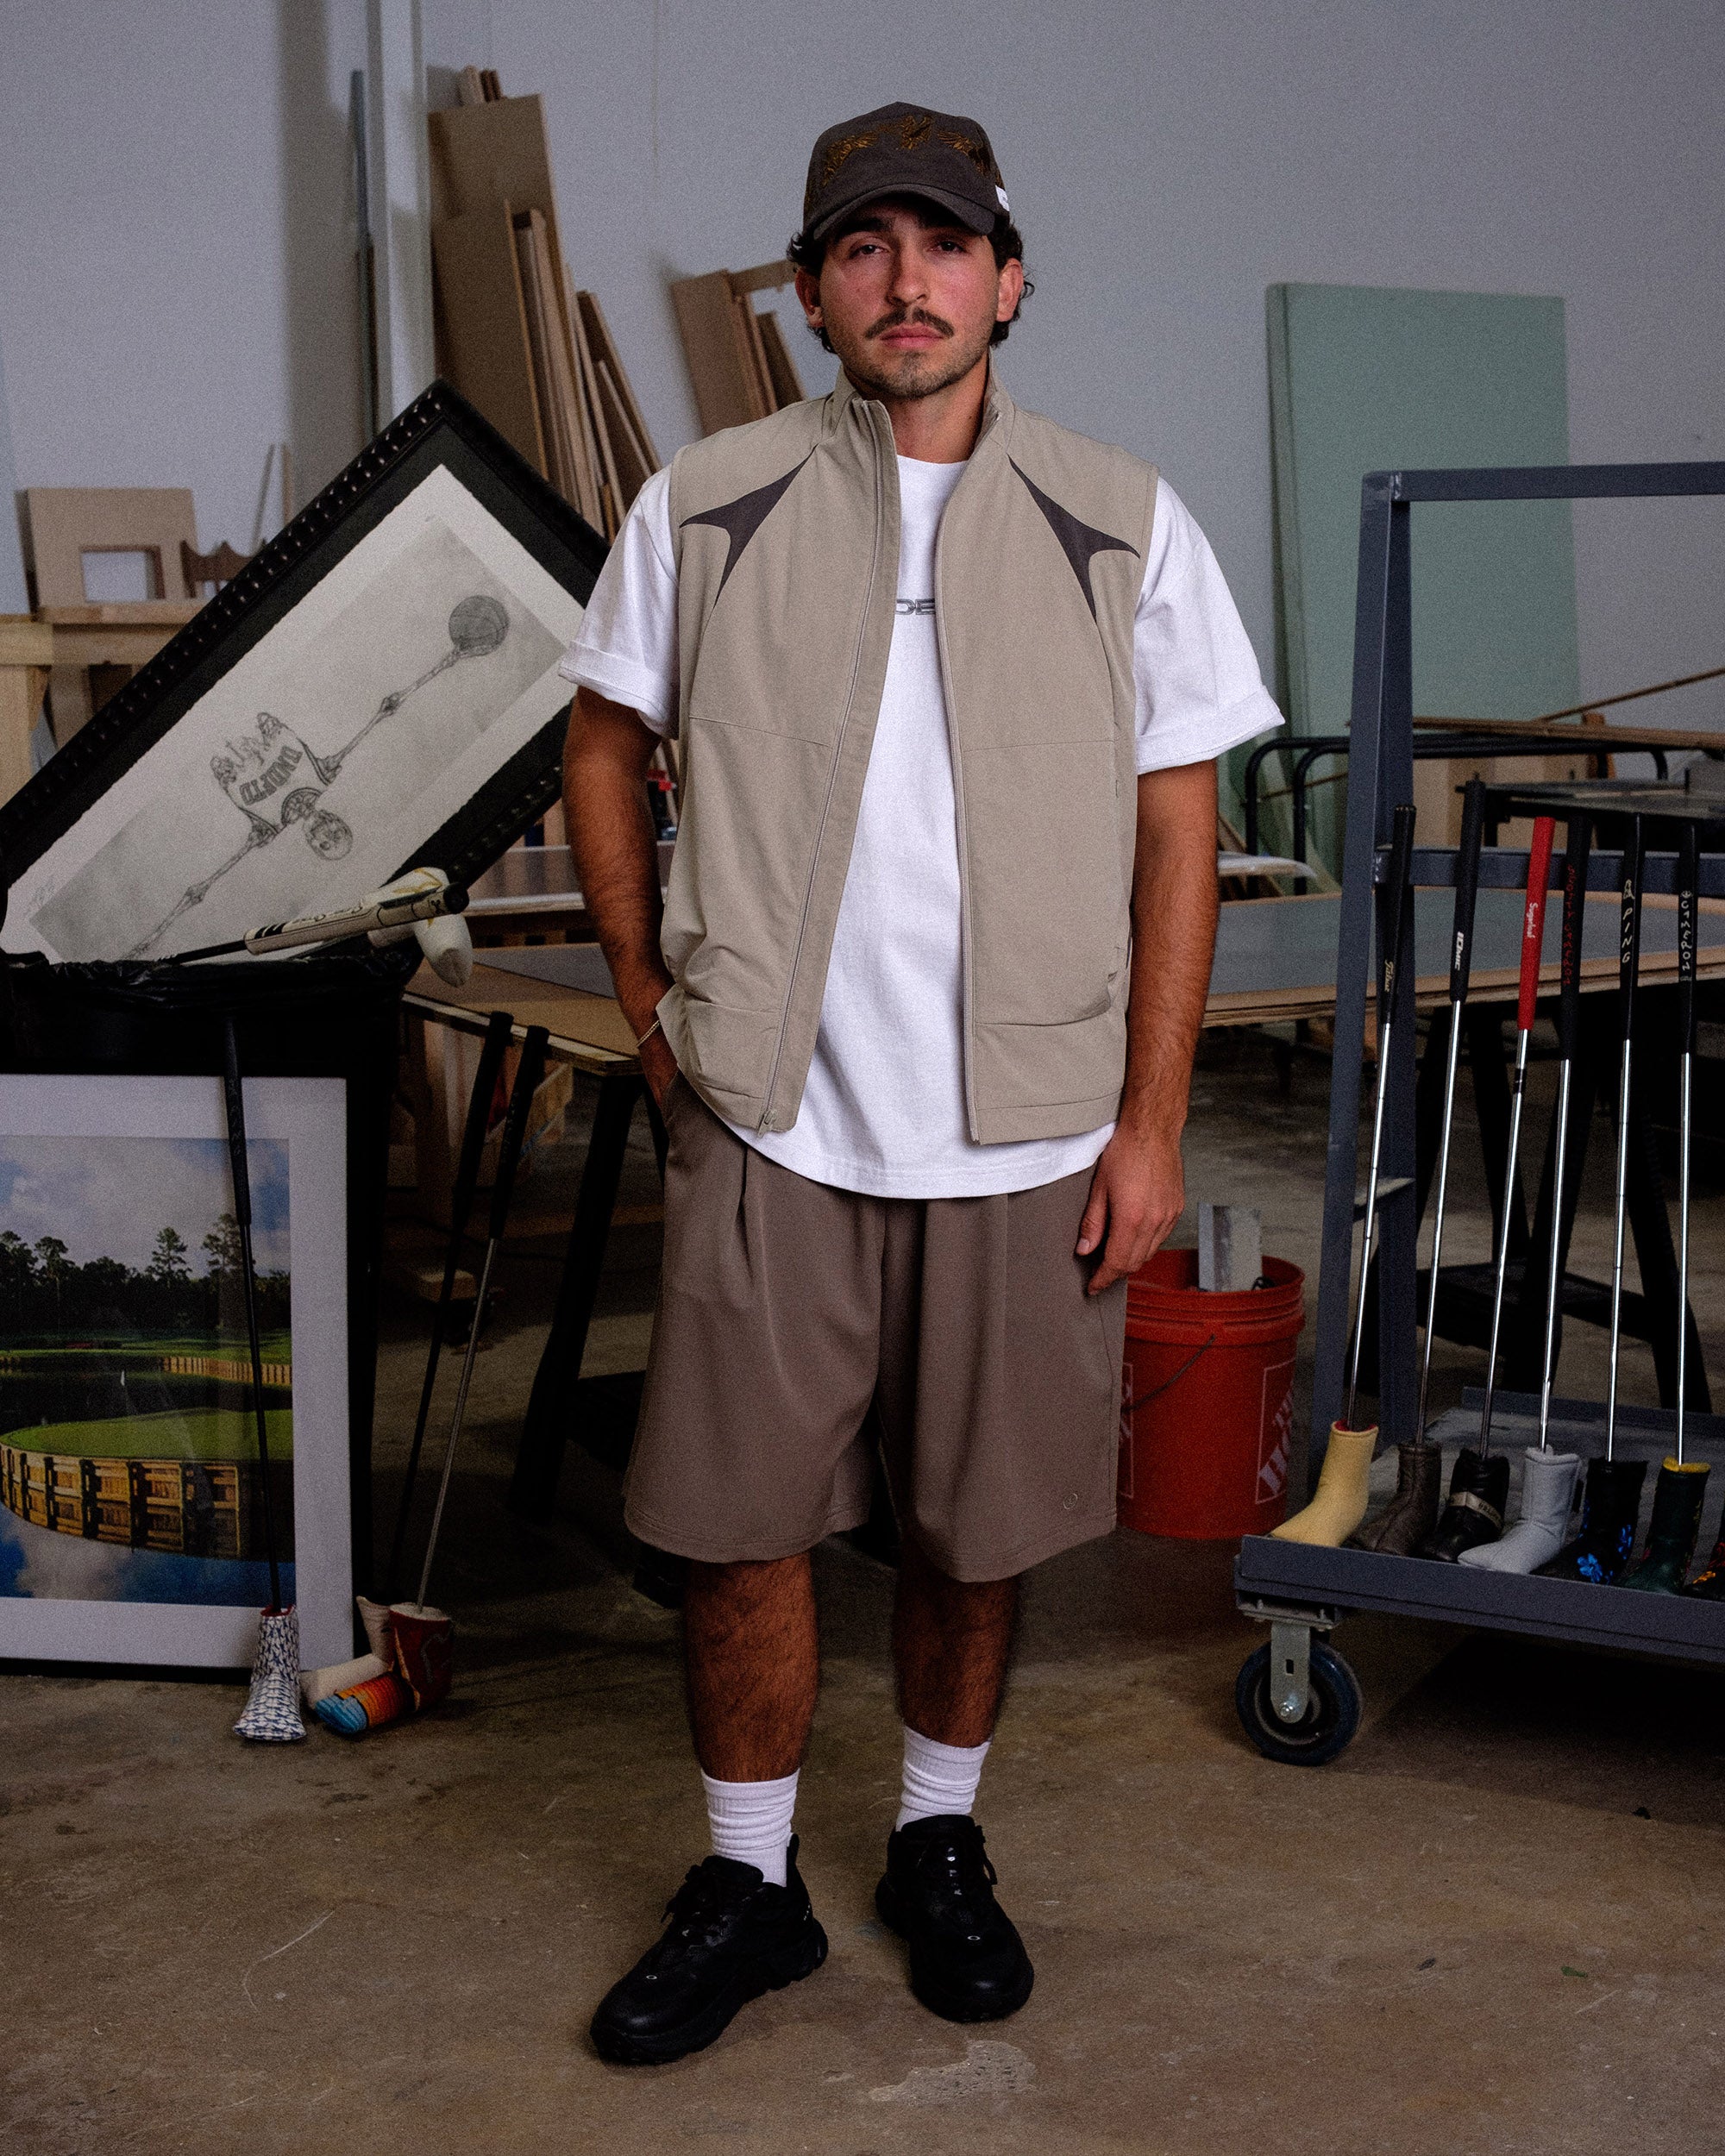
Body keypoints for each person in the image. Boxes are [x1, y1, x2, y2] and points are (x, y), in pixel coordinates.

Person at [561, 100, 1282, 2065]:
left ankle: (936, 1846)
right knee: (732, 1522)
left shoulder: (1122, 516)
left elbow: (1178, 833)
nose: (908, 281)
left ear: (1009, 279)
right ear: (810, 295)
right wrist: (651, 1006)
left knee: (978, 1526)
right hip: (768, 1111)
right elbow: (601, 744)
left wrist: (1148, 1122)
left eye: (944, 244)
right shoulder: (703, 499)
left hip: (1028, 1126)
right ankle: (747, 1879)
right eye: (862, 249)